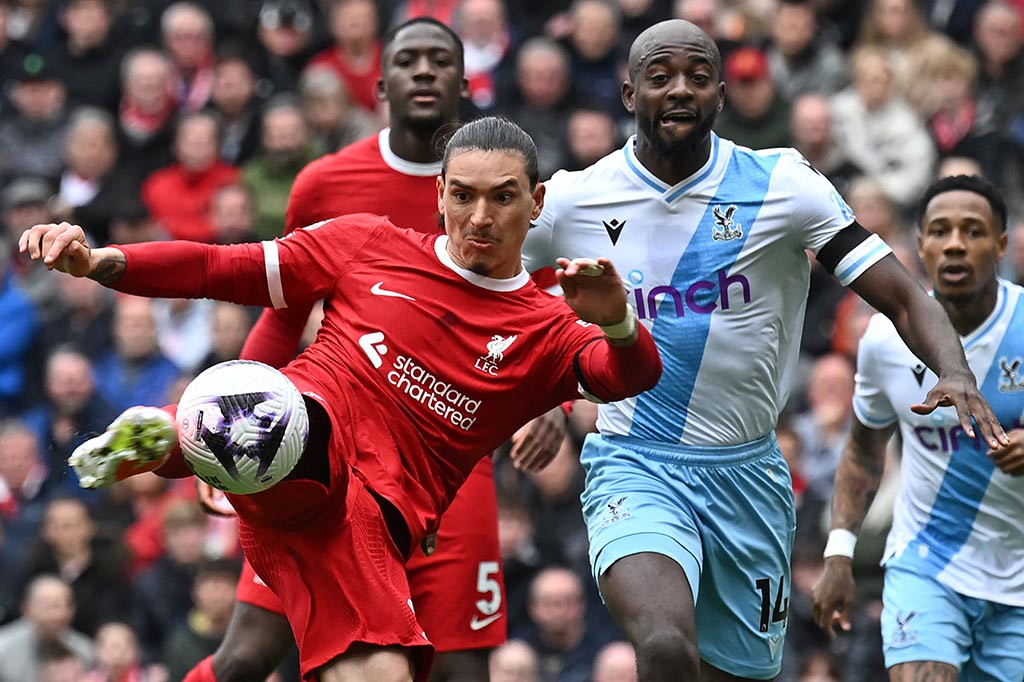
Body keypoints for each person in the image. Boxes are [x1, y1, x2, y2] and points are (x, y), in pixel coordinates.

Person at [21, 115, 662, 682]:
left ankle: (194, 431)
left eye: (503, 196)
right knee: (287, 425)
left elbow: (628, 376)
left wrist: (618, 322)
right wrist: (102, 262)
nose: (480, 217)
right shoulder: (367, 243)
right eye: (463, 195)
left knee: (369, 673)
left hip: (370, 525)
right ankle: (197, 429)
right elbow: (221, 267)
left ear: (536, 201)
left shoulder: (546, 329)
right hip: (301, 448)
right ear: (439, 195)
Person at [520, 19, 1006, 682]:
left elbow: (900, 293)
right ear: (629, 94)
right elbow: (488, 290)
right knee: (664, 644)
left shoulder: (783, 185)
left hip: (747, 474)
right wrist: (545, 391)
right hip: (636, 461)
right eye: (660, 77)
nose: (680, 89)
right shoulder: (573, 198)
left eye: (698, 76)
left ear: (721, 94)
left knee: (732, 673)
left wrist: (955, 369)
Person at [192, 18, 561, 682]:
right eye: (408, 60)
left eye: (440, 60)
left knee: (459, 669)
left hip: (449, 461)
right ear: (381, 83)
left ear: (465, 80)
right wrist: (227, 428)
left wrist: (552, 406)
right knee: (246, 655)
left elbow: (545, 318)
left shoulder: (517, 191)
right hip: (332, 446)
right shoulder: (326, 184)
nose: (424, 71)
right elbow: (283, 316)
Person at [812, 175, 1024, 681]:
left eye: (973, 231)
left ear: (1000, 246)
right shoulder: (885, 339)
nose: (955, 244)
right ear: (921, 244)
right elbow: (864, 448)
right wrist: (839, 552)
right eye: (940, 231)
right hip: (926, 564)